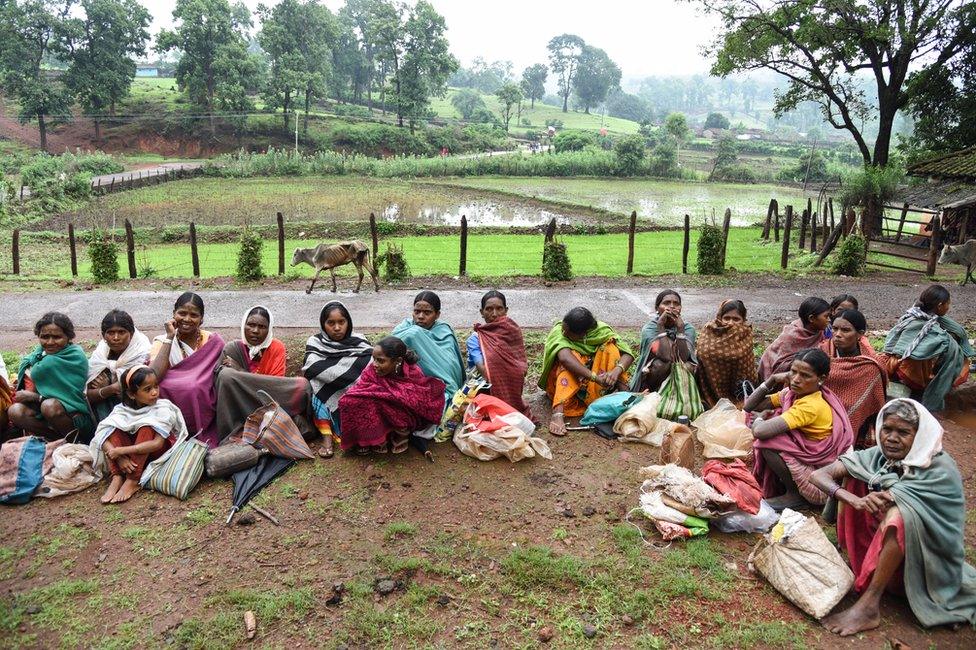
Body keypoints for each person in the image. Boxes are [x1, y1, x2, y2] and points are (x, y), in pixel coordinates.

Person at [811, 399, 976, 636]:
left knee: (902, 515)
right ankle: (862, 564)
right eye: (887, 429)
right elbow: (819, 474)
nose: (891, 438)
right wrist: (851, 498)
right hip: (890, 558)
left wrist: (888, 498)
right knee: (855, 477)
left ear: (919, 436)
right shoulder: (880, 457)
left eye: (903, 432)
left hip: (927, 566)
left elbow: (917, 511)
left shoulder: (940, 470)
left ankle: (870, 604)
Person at [744, 348, 854, 511]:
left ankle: (795, 495)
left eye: (805, 375)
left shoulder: (810, 405)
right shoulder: (793, 393)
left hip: (821, 476)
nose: (795, 380)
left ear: (821, 379)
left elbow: (759, 432)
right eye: (793, 372)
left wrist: (759, 419)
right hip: (811, 456)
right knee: (774, 429)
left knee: (768, 441)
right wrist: (772, 380)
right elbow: (750, 405)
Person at [89, 366, 188, 504]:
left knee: (146, 427)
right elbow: (101, 437)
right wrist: (120, 458)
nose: (154, 392)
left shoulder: (163, 409)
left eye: (156, 387)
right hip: (126, 460)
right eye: (147, 389)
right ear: (131, 394)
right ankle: (117, 476)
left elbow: (157, 444)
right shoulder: (121, 410)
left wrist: (121, 451)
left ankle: (132, 480)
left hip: (154, 454)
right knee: (112, 428)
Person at [214, 305, 312, 444]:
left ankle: (276, 424)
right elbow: (223, 387)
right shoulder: (232, 349)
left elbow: (274, 386)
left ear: (269, 328)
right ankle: (241, 431)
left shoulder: (276, 347)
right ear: (243, 325)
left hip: (268, 402)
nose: (255, 331)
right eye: (251, 325)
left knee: (303, 385)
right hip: (240, 404)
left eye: (262, 327)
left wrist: (241, 372)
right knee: (226, 376)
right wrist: (237, 378)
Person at [337, 336, 445, 455]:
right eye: (374, 359)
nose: (375, 364)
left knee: (389, 401)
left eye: (381, 360)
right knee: (348, 401)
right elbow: (359, 389)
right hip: (378, 409)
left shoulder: (413, 373)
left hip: (403, 412)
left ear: (397, 361)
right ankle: (368, 439)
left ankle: (400, 434)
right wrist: (380, 394)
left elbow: (418, 399)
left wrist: (389, 395)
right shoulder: (371, 370)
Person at [540, 307, 634, 436]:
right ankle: (558, 413)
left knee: (610, 348)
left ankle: (626, 397)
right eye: (563, 327)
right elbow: (565, 358)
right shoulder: (558, 332)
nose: (563, 332)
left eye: (567, 331)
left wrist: (616, 372)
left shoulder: (601, 332)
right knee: (569, 362)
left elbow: (627, 354)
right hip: (574, 383)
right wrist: (594, 377)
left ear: (583, 334)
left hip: (600, 384)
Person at [880, 284, 974, 412]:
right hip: (909, 374)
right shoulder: (936, 333)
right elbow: (917, 352)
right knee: (952, 354)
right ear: (940, 306)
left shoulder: (912, 315)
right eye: (948, 304)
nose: (949, 307)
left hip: (894, 366)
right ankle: (930, 396)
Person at [148, 292, 224, 448]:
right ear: (173, 314)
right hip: (169, 414)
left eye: (194, 315)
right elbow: (154, 376)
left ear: (201, 319)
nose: (187, 319)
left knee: (194, 386)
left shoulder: (213, 341)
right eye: (182, 313)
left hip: (206, 408)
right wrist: (169, 338)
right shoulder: (162, 342)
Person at [8, 312, 94, 443]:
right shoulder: (40, 354)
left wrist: (35, 397)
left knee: (49, 406)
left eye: (57, 337)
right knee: (15, 411)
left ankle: (78, 442)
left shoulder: (74, 356)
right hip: (46, 416)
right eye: (45, 337)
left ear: (68, 337)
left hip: (75, 416)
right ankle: (57, 440)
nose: (50, 342)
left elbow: (66, 397)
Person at [301, 302, 373, 458]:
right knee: (317, 384)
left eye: (341, 322)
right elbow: (311, 367)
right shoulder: (315, 342)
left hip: (355, 390)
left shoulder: (360, 341)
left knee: (363, 391)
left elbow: (369, 366)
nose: (337, 328)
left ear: (349, 322)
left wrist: (347, 380)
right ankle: (327, 437)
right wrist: (336, 377)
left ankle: (359, 436)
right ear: (323, 324)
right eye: (330, 323)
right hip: (327, 389)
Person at [820, 310, 887, 447]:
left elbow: (873, 403)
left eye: (845, 330)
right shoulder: (821, 353)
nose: (838, 335)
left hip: (857, 424)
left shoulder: (870, 366)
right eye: (835, 329)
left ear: (860, 334)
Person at [391, 291, 465, 409]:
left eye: (427, 312)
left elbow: (449, 368)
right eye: (417, 311)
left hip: (437, 385)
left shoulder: (443, 333)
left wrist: (415, 336)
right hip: (406, 382)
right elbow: (388, 353)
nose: (420, 316)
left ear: (437, 314)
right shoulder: (403, 328)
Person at [467, 290, 532, 418]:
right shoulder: (475, 338)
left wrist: (514, 372)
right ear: (482, 312)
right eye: (489, 309)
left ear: (506, 310)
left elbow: (521, 364)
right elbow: (483, 370)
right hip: (484, 385)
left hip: (511, 385)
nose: (494, 314)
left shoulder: (512, 332)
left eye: (499, 309)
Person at [86, 310, 152, 422]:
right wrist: (111, 388)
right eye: (111, 333)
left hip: (138, 414)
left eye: (121, 332)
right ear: (103, 335)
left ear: (131, 334)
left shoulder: (141, 354)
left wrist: (107, 388)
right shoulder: (100, 357)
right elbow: (88, 396)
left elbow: (144, 395)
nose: (116, 337)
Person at [630, 290, 697, 393]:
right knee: (661, 365)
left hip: (680, 376)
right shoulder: (650, 328)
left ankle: (680, 398)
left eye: (676, 304)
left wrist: (680, 330)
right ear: (657, 308)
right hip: (653, 377)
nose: (672, 307)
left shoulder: (687, 328)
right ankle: (652, 394)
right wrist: (661, 327)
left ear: (680, 308)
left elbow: (683, 358)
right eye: (666, 303)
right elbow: (666, 356)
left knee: (687, 366)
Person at [695, 299, 757, 407]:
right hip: (709, 382)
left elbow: (747, 363)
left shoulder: (745, 333)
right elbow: (702, 352)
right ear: (720, 318)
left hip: (736, 384)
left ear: (743, 320)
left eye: (736, 319)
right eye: (726, 318)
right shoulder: (710, 329)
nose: (730, 323)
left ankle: (739, 400)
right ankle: (709, 399)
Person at [758, 297, 831, 380]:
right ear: (811, 318)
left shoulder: (819, 332)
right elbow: (780, 366)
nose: (829, 320)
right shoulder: (791, 336)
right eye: (826, 316)